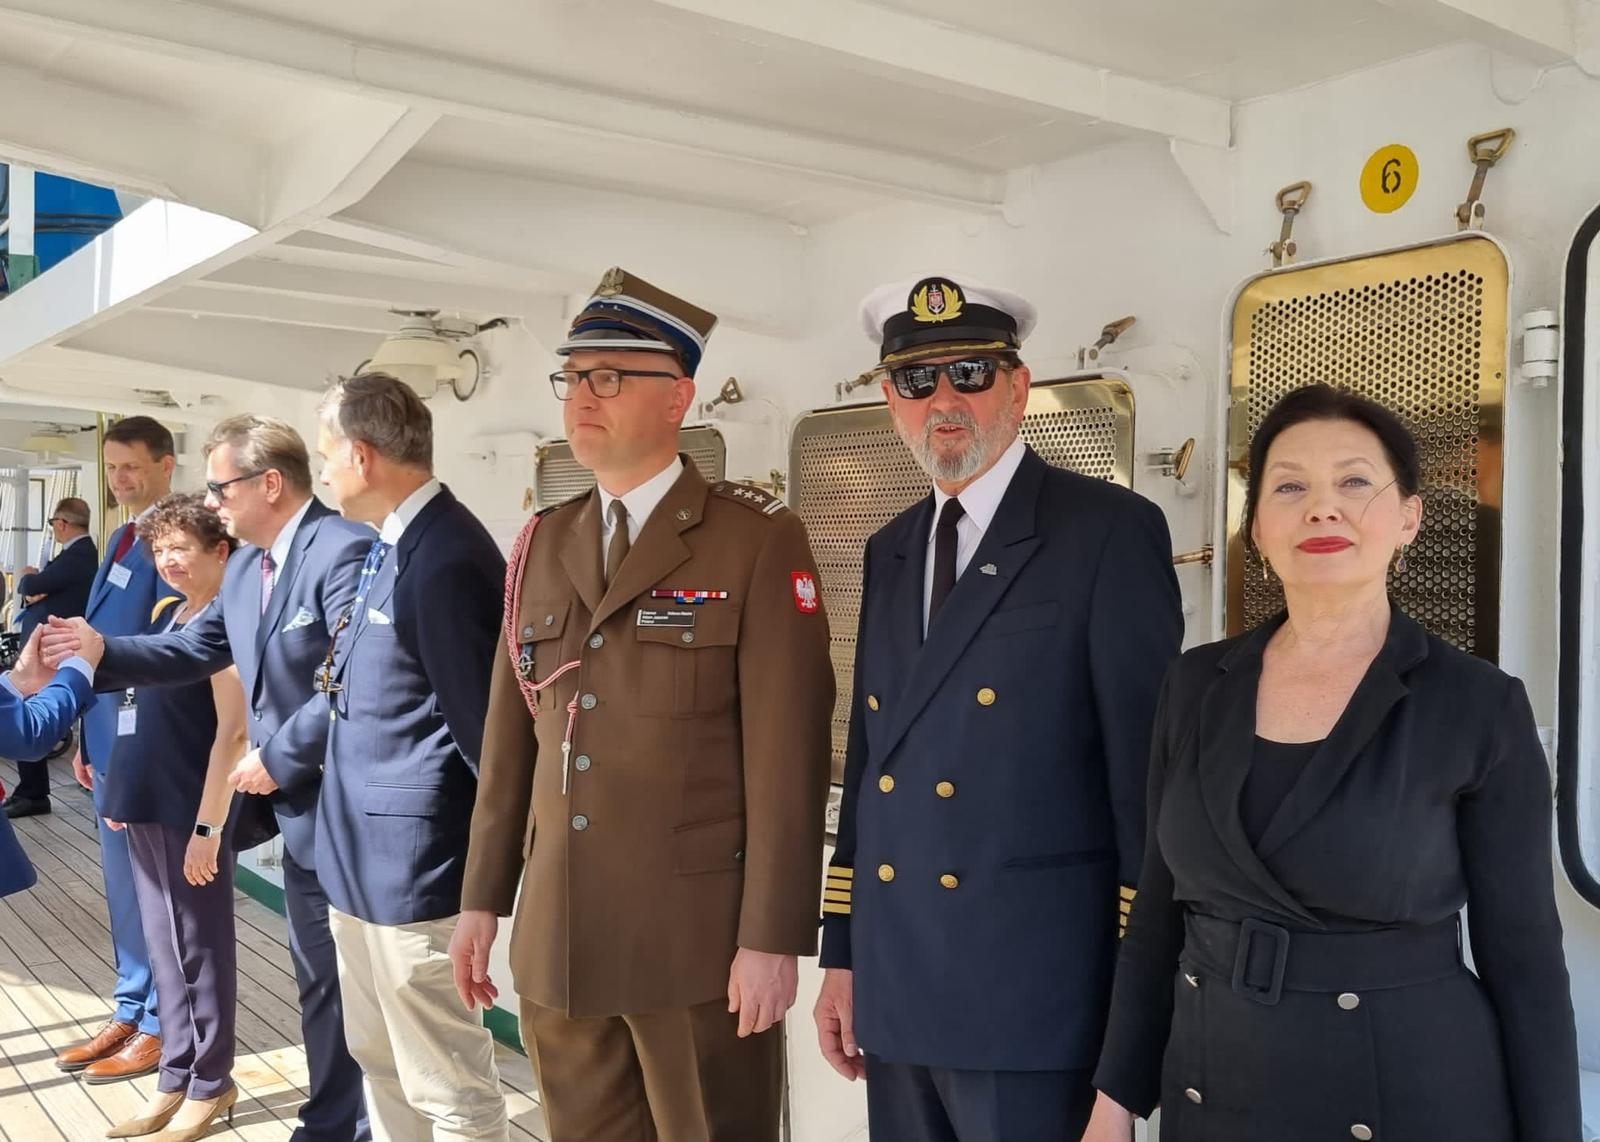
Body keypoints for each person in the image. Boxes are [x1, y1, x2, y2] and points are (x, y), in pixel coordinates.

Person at [1084, 384, 1582, 1141]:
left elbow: (1525, 961)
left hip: (1409, 1096)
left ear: (1409, 516)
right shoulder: (1195, 684)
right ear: (1257, 527)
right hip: (1215, 1086)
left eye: (1354, 481)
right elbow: (1157, 914)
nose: (1322, 509)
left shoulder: (1477, 704)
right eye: (1290, 487)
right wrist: (1113, 1101)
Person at [450, 267, 835, 1142]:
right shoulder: (542, 541)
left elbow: (789, 755)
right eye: (574, 377)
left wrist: (772, 936)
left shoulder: (755, 539)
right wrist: (483, 898)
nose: (583, 396)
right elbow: (512, 744)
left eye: (611, 376)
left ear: (679, 397)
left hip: (696, 949)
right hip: (560, 939)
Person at [810, 276, 1183, 1141]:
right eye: (915, 380)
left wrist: (1132, 1025)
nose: (943, 400)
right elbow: (872, 765)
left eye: (970, 374)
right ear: (890, 403)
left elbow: (1146, 786)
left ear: (1018, 388)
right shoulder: (891, 549)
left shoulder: (1106, 532)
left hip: (1036, 1002)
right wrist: (844, 955)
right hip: (898, 988)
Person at [48, 415, 373, 1141]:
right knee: (318, 983)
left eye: (221, 487)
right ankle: (321, 1122)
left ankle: (330, 1120)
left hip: (347, 811)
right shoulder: (252, 571)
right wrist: (93, 654)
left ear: (270, 484)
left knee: (356, 986)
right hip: (296, 817)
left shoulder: (343, 551)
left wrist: (274, 758)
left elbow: (353, 681)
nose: (213, 500)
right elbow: (189, 651)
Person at [311, 373, 509, 1141]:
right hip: (361, 868)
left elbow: (487, 737)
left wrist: (486, 889)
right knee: (383, 1061)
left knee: (448, 1084)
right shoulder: (396, 542)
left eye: (328, 455)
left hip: (417, 877)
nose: (324, 471)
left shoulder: (447, 556)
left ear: (361, 456)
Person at [96, 494, 246, 1141]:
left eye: (181, 547)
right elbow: (139, 708)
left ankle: (211, 1083)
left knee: (201, 951)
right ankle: (175, 1074)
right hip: (147, 807)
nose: (168, 560)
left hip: (192, 812)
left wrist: (209, 829)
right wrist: (124, 794)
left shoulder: (227, 626)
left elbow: (233, 735)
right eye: (160, 550)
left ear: (220, 550)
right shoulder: (169, 615)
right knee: (165, 951)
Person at [51, 417, 175, 1084]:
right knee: (124, 887)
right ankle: (131, 1006)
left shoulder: (169, 543)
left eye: (132, 466)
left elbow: (168, 656)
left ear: (166, 465)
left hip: (142, 745)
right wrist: (84, 734)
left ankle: (162, 1022)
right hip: (105, 738)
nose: (119, 479)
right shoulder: (124, 537)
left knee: (154, 889)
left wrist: (128, 747)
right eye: (112, 466)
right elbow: (101, 641)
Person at [3, 496, 98, 818]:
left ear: (62, 523)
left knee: (30, 720)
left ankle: (33, 793)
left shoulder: (79, 555)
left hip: (55, 655)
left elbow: (32, 584)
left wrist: (30, 578)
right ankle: (30, 790)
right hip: (48, 654)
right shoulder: (75, 557)